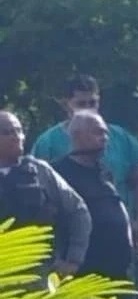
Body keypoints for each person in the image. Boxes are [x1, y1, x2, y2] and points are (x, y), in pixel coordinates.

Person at [31, 74, 138, 236]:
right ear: (66, 105)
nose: (88, 108)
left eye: (93, 103)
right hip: (72, 233)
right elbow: (39, 192)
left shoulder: (120, 137)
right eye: (81, 104)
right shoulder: (48, 142)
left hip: (118, 230)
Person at [51, 112, 134, 299]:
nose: (104, 138)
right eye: (98, 133)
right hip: (82, 274)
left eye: (105, 133)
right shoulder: (57, 173)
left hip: (117, 273)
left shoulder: (103, 171)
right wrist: (58, 262)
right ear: (77, 135)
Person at [0, 110, 92, 276]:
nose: (16, 137)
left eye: (19, 130)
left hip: (39, 272)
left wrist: (73, 260)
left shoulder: (40, 171)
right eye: (7, 132)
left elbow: (78, 211)